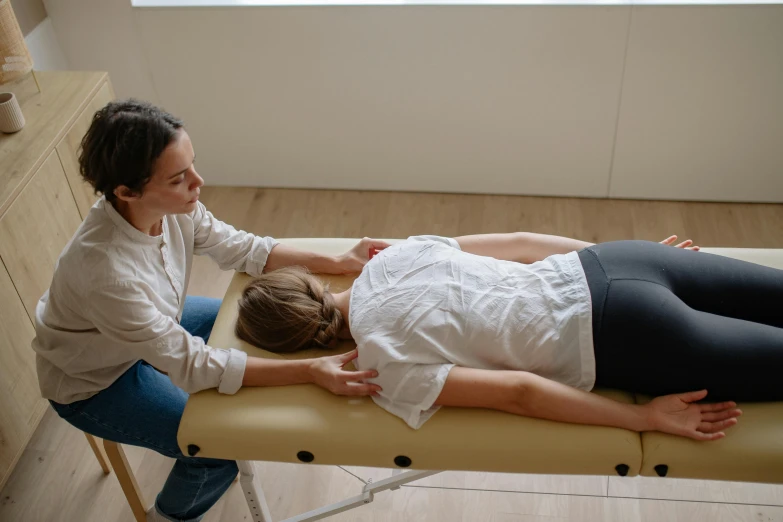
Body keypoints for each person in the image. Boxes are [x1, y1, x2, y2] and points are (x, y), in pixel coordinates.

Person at [31, 99, 387, 522]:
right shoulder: (108, 274)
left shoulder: (171, 208)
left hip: (149, 331)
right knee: (218, 448)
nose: (198, 182)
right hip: (97, 381)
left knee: (262, 328)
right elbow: (195, 366)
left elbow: (243, 247)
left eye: (193, 166)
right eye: (180, 178)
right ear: (127, 191)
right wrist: (310, 371)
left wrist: (338, 260)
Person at [235, 233, 783, 442]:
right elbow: (523, 243)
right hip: (616, 260)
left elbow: (519, 391)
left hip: (626, 334)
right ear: (309, 282)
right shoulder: (394, 254)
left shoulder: (382, 367)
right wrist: (631, 258)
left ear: (303, 345)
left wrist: (644, 417)